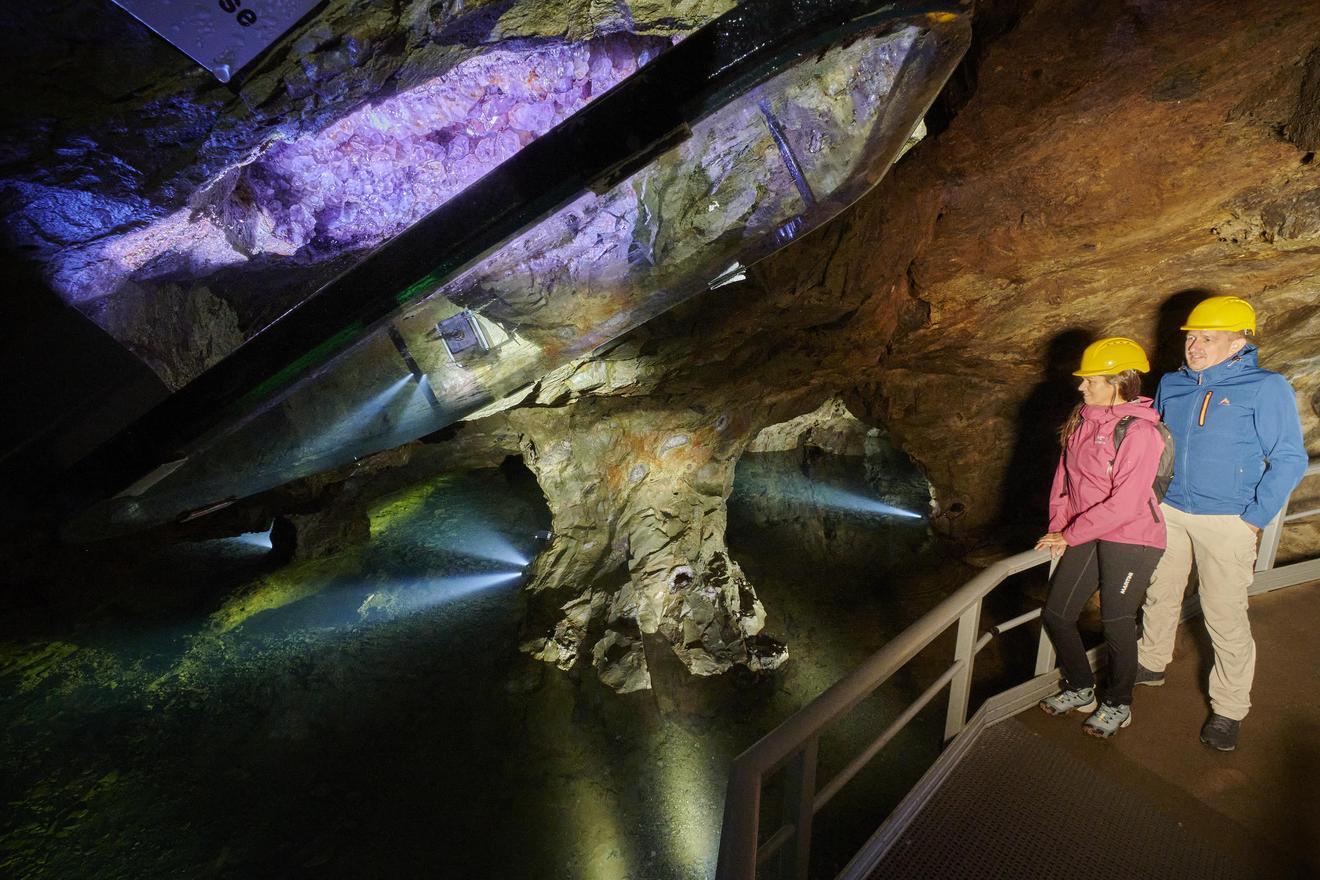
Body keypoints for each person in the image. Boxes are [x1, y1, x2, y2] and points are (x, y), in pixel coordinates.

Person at [1133, 295, 1307, 751]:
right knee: (1160, 590)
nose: (1194, 345)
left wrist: (1253, 519)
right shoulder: (1171, 384)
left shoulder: (1266, 387)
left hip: (1227, 518)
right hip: (1170, 510)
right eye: (1192, 337)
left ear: (1238, 341)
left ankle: (1229, 709)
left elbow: (1289, 458)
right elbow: (1154, 445)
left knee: (1224, 615)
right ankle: (1150, 661)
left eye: (1207, 338)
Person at [1034, 337, 1168, 738]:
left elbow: (1125, 504)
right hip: (1088, 531)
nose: (1081, 387)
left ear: (1119, 383)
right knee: (1057, 613)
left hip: (1133, 537)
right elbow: (1065, 478)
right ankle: (1081, 688)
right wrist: (1060, 526)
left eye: (1091, 380)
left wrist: (1072, 532)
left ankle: (1118, 703)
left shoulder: (1141, 433)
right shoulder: (1083, 417)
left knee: (1116, 620)